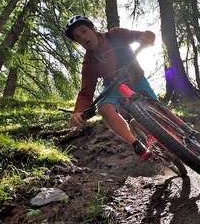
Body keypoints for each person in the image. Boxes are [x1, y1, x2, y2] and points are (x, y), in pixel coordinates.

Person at [64, 15, 158, 160]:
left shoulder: (116, 35)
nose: (82, 37)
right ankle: (136, 145)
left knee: (157, 110)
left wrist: (147, 37)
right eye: (77, 37)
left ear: (93, 29)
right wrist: (78, 112)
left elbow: (138, 36)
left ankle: (176, 135)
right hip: (114, 86)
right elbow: (86, 92)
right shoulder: (89, 63)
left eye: (84, 31)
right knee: (104, 107)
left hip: (136, 78)